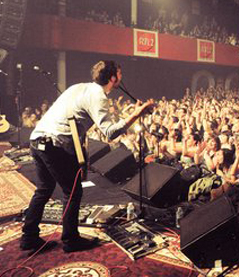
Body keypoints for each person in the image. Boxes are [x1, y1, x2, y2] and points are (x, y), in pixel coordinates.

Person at [20, 60, 155, 253]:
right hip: (54, 145)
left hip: (38, 140)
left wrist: (132, 112)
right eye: (119, 74)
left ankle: (29, 238)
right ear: (113, 78)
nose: (121, 77)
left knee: (44, 188)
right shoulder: (98, 96)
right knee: (72, 192)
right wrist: (136, 115)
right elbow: (110, 133)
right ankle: (70, 240)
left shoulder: (79, 87)